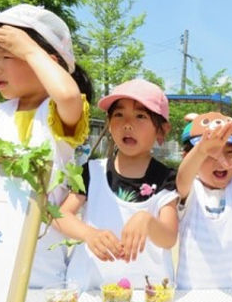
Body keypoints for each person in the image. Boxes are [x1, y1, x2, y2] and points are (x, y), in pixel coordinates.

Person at [0, 4, 93, 287]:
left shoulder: (58, 113)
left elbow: (68, 96)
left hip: (41, 265)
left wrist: (29, 49)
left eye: (8, 56)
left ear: (49, 62)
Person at [56, 79, 179, 290]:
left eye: (141, 116)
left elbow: (168, 237)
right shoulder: (92, 171)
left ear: (161, 130)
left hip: (145, 292)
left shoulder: (166, 178)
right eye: (119, 115)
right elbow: (60, 216)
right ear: (109, 123)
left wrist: (148, 220)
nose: (127, 124)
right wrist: (89, 234)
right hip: (89, 288)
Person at [175, 112, 232, 289]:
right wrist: (200, 150)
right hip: (193, 293)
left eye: (230, 152)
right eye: (210, 154)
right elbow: (182, 178)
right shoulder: (191, 190)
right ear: (188, 156)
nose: (221, 161)